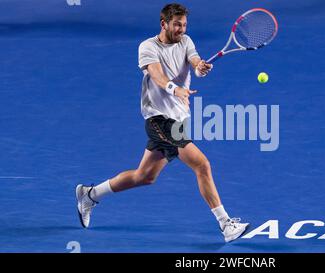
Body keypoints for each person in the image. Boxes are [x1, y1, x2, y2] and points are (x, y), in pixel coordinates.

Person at [75, 3, 249, 243]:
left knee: (144, 176)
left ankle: (90, 194)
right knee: (202, 165)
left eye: (184, 24)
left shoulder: (186, 41)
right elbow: (156, 75)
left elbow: (194, 60)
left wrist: (199, 67)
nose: (181, 29)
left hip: (179, 120)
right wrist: (174, 89)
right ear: (164, 23)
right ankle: (225, 224)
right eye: (177, 24)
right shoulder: (147, 47)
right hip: (159, 119)